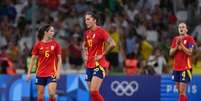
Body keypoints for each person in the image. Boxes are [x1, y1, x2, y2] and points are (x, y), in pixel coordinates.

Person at [83, 11, 116, 101]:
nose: (86, 21)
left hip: (99, 64)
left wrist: (102, 54)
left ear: (94, 20)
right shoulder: (87, 33)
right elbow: (85, 45)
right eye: (85, 19)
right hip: (89, 65)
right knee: (92, 94)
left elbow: (113, 44)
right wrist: (85, 53)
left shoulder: (101, 31)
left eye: (88, 19)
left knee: (94, 91)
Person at [26, 24, 62, 101]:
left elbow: (59, 59)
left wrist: (58, 72)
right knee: (40, 95)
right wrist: (29, 73)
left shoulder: (56, 44)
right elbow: (33, 59)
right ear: (46, 32)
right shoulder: (38, 45)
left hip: (52, 72)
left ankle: (54, 98)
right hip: (40, 73)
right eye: (51, 31)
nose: (53, 33)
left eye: (53, 31)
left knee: (51, 93)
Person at [169, 22, 196, 101]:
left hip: (185, 68)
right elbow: (170, 53)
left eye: (183, 27)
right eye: (180, 27)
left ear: (186, 29)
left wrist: (182, 46)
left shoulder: (190, 38)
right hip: (176, 68)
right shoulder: (175, 39)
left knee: (182, 91)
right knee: (179, 90)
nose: (181, 29)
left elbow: (190, 52)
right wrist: (177, 47)